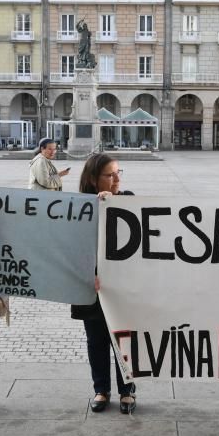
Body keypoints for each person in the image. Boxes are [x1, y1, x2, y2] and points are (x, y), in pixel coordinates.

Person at [72, 154, 136, 414]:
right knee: (95, 340)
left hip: (121, 287)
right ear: (92, 179)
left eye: (119, 172)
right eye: (110, 175)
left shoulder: (128, 198)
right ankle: (101, 389)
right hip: (91, 285)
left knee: (123, 341)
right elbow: (69, 247)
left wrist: (113, 204)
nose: (117, 179)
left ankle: (127, 391)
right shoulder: (78, 206)